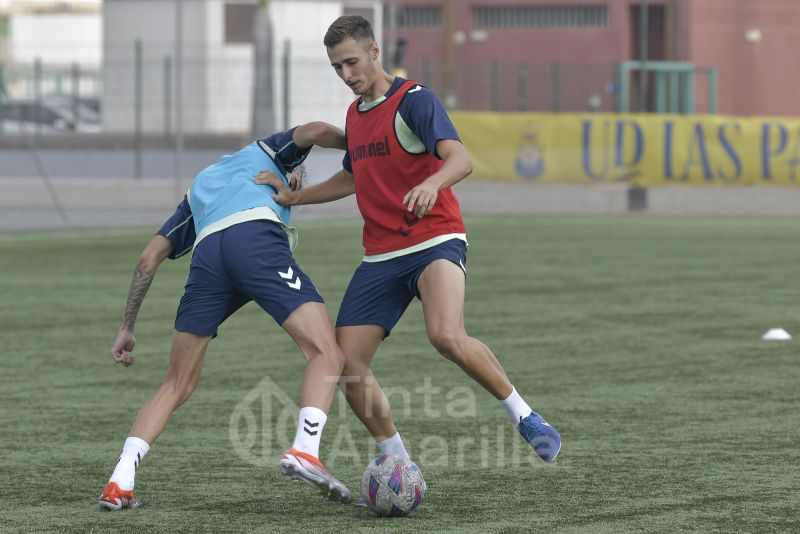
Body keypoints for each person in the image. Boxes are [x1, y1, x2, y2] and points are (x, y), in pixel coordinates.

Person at [255, 15, 561, 466]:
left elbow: (460, 159)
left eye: (352, 62)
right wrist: (295, 197)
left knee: (445, 336)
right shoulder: (354, 117)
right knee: (346, 363)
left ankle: (525, 416)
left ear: (375, 51)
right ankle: (395, 457)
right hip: (380, 256)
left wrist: (432, 184)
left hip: (435, 239)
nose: (347, 75)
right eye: (338, 68)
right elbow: (351, 178)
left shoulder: (415, 100)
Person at [99, 122, 355, 511]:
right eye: (298, 177)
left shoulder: (199, 188)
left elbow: (147, 258)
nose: (299, 182)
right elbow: (318, 130)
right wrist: (363, 143)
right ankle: (306, 449)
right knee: (328, 353)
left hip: (208, 260)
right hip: (253, 243)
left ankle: (120, 480)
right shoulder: (270, 151)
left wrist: (126, 327)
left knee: (176, 384)